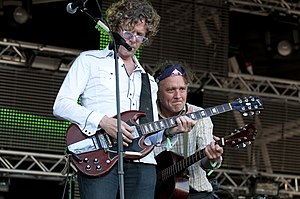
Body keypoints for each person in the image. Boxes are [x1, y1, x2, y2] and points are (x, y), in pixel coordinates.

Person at [53, 1, 196, 199]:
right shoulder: (89, 61)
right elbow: (61, 105)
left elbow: (151, 134)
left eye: (140, 35)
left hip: (142, 164)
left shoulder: (148, 80)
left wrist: (172, 131)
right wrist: (103, 121)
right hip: (99, 155)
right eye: (128, 32)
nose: (133, 40)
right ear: (115, 28)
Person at [153, 61, 224, 199]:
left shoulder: (200, 115)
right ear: (157, 92)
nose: (178, 96)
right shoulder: (147, 116)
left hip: (195, 192)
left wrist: (213, 158)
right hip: (155, 192)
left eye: (182, 89)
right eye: (170, 90)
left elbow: (207, 164)